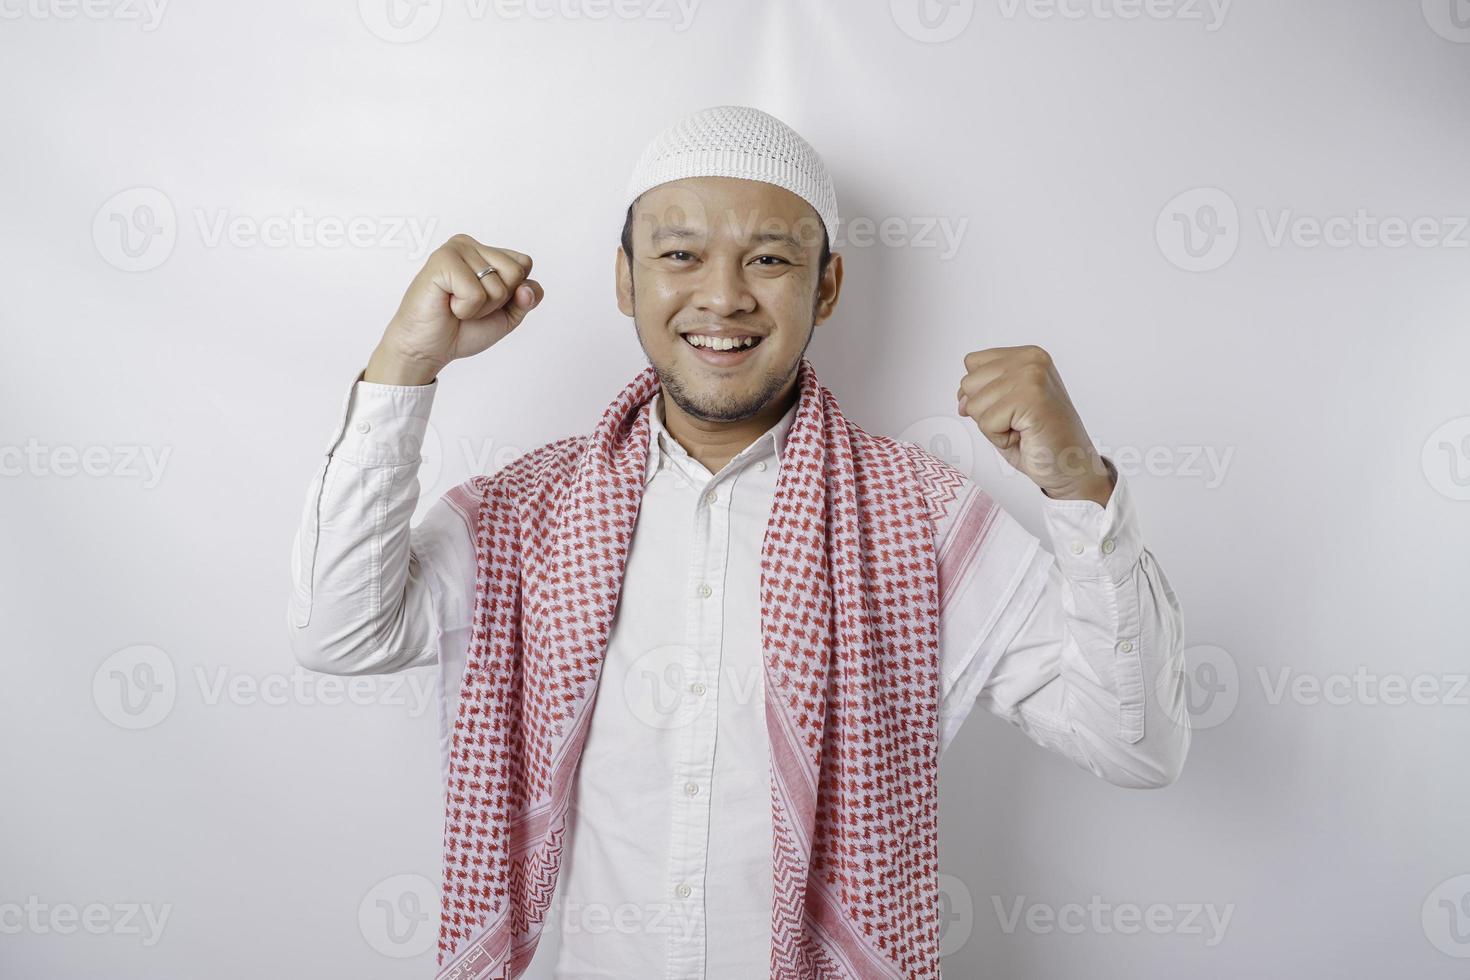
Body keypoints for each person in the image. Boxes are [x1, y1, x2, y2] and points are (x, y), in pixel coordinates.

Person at [287, 105, 1190, 980]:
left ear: (825, 287)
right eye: (680, 255)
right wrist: (406, 362)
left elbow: (1137, 747)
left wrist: (1079, 486)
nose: (722, 296)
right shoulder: (533, 511)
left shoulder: (921, 518)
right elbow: (341, 633)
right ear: (625, 279)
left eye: (767, 259)